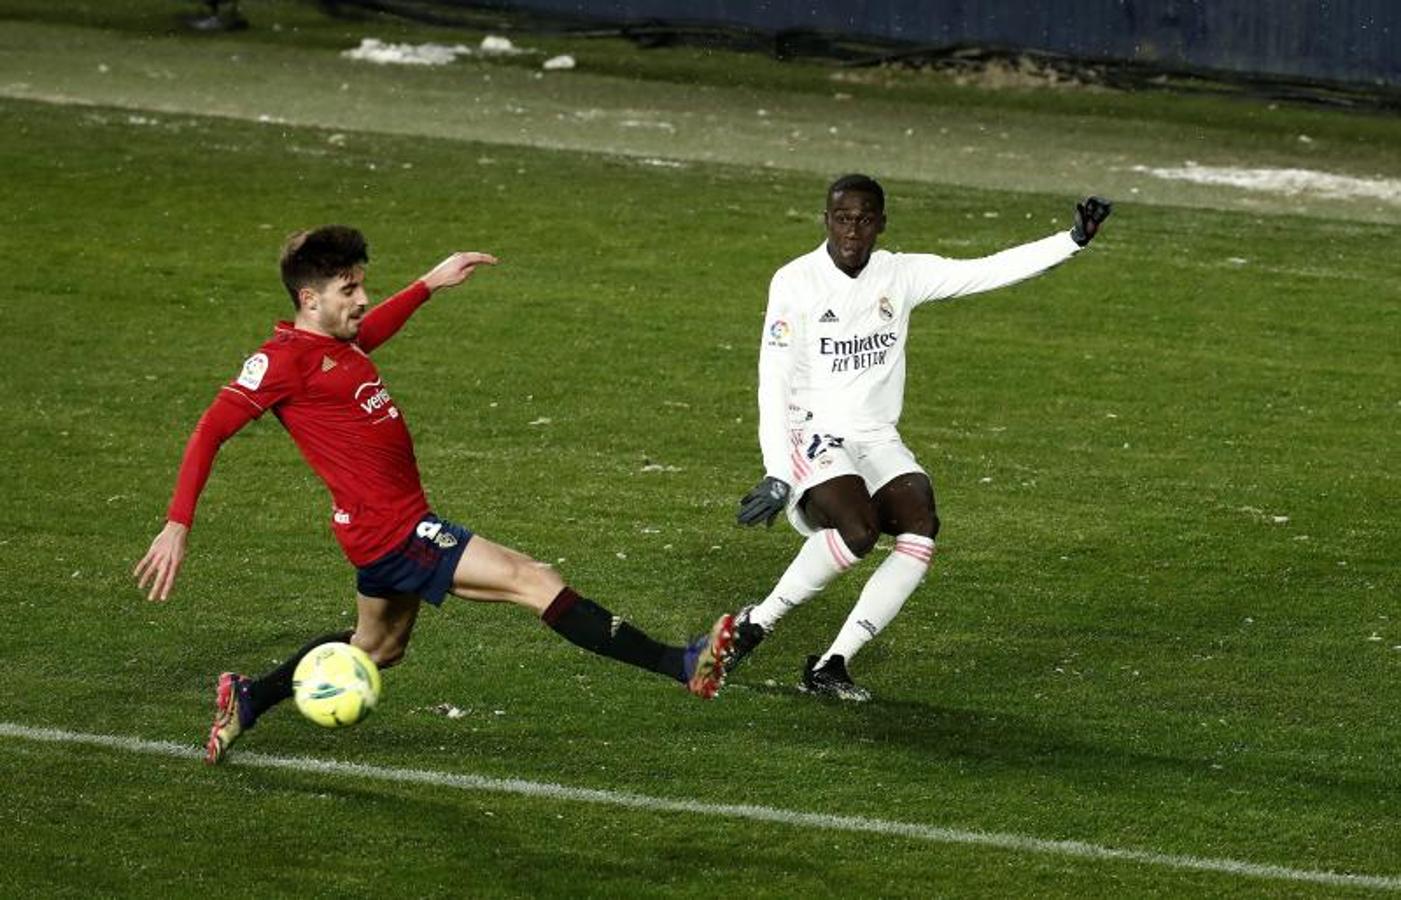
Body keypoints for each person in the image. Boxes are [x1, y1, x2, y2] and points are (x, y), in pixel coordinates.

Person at [135, 225, 734, 764]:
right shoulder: (280, 361)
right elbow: (210, 430)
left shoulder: (338, 344)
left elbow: (373, 329)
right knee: (533, 578)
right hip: (393, 530)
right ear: (309, 299)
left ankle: (250, 697)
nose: (362, 299)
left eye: (362, 285)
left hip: (384, 526)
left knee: (378, 648)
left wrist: (431, 282)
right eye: (349, 290)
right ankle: (681, 665)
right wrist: (177, 524)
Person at [730, 175, 1111, 701]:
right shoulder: (795, 282)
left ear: (881, 224)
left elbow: (986, 271)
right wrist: (777, 469)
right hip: (812, 431)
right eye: (842, 218)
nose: (852, 230)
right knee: (859, 531)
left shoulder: (900, 274)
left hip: (875, 436)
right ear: (826, 220)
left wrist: (1070, 241)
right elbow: (771, 379)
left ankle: (832, 663)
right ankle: (755, 625)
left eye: (864, 219)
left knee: (920, 524)